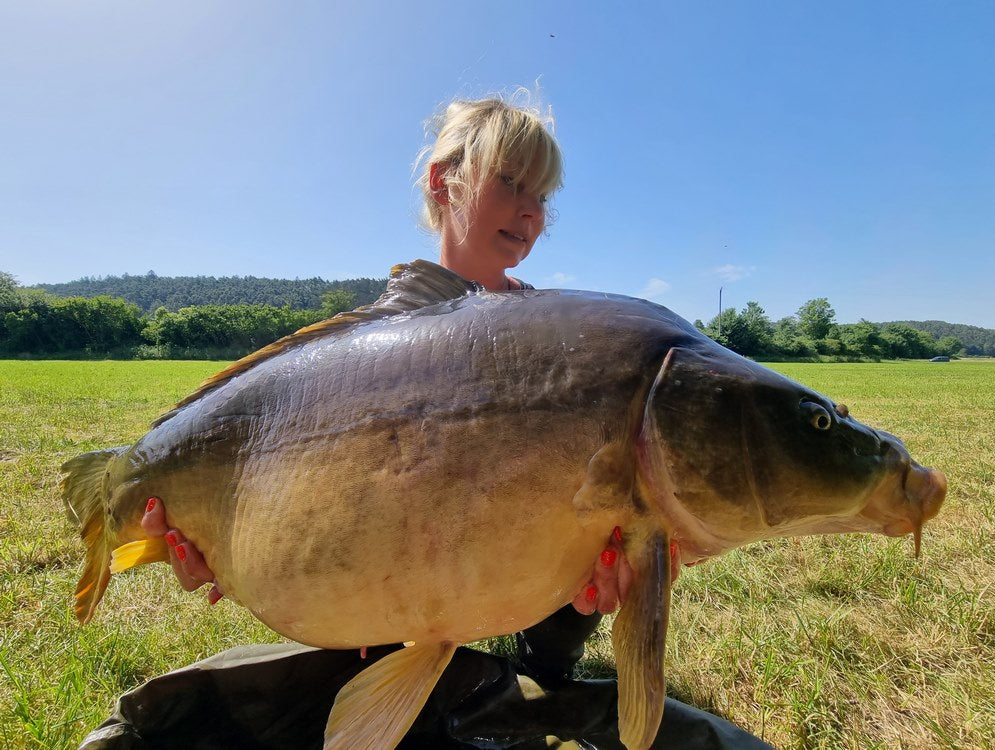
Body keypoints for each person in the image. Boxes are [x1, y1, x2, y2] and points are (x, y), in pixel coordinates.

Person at [80, 95, 772, 750]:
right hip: (394, 584)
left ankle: (547, 664)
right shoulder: (377, 339)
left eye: (542, 199)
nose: (530, 213)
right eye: (511, 183)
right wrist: (228, 547)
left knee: (592, 539)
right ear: (445, 182)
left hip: (530, 588)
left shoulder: (564, 342)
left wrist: (648, 557)